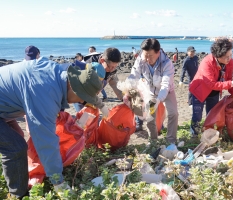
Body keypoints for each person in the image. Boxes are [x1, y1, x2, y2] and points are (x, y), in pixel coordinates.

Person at [0, 55, 104, 198]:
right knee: (15, 148)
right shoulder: (45, 92)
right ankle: (18, 195)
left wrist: (102, 107)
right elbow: (45, 140)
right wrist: (57, 181)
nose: (81, 101)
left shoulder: (57, 74)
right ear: (74, 89)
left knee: (18, 137)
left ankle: (15, 180)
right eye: (82, 98)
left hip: (5, 106)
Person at [129, 38, 178, 144]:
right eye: (145, 55)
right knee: (150, 117)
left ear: (158, 52)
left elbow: (165, 85)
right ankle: (153, 140)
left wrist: (159, 100)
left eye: (150, 56)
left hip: (167, 91)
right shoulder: (141, 60)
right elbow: (134, 75)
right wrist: (129, 90)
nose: (147, 59)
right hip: (151, 92)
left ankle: (171, 141)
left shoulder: (167, 63)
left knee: (173, 113)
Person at [189, 38, 233, 135]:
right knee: (197, 116)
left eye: (231, 55)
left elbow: (229, 79)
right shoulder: (207, 62)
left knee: (211, 115)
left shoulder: (230, 62)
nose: (229, 58)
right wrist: (231, 83)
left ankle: (208, 133)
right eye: (226, 56)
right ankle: (194, 134)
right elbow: (211, 84)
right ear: (218, 56)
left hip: (214, 92)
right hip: (200, 91)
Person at [73, 47, 123, 112]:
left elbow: (115, 85)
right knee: (83, 116)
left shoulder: (112, 69)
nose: (112, 69)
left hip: (93, 94)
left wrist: (125, 99)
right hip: (79, 93)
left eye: (115, 66)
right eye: (110, 67)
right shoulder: (87, 65)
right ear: (102, 61)